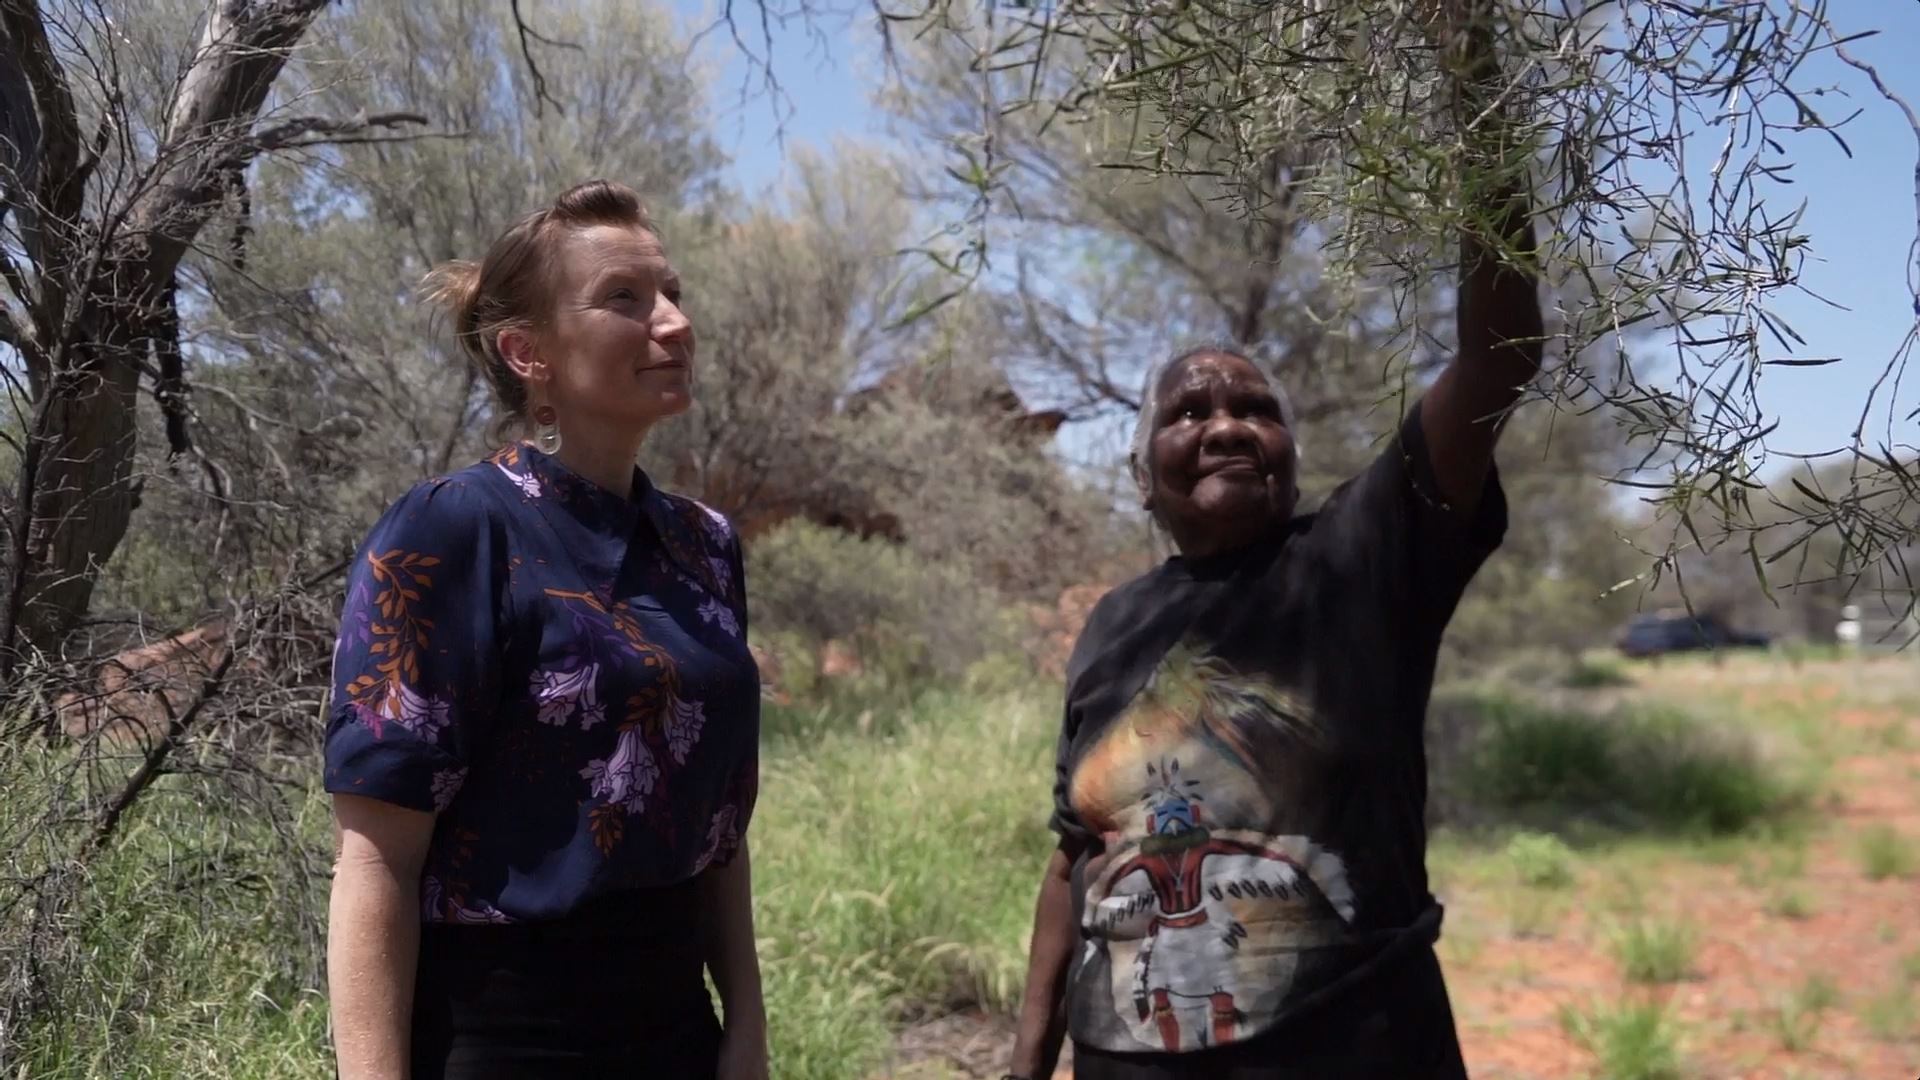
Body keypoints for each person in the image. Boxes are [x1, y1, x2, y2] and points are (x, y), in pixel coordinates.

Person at [1002, 12, 1543, 1079]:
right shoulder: (1114, 625)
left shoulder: (1360, 554)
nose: (1223, 422)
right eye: (1188, 410)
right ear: (1141, 474)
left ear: (1293, 453)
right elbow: (1079, 856)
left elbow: (1501, 351)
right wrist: (1025, 1062)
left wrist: (1468, 61)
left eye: (1254, 406)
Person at [324, 180, 765, 1080]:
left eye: (673, 293)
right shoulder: (454, 531)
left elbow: (720, 828)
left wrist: (746, 1031)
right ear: (529, 352)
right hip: (507, 1040)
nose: (674, 323)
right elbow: (377, 864)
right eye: (626, 300)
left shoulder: (703, 545)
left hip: (679, 1025)